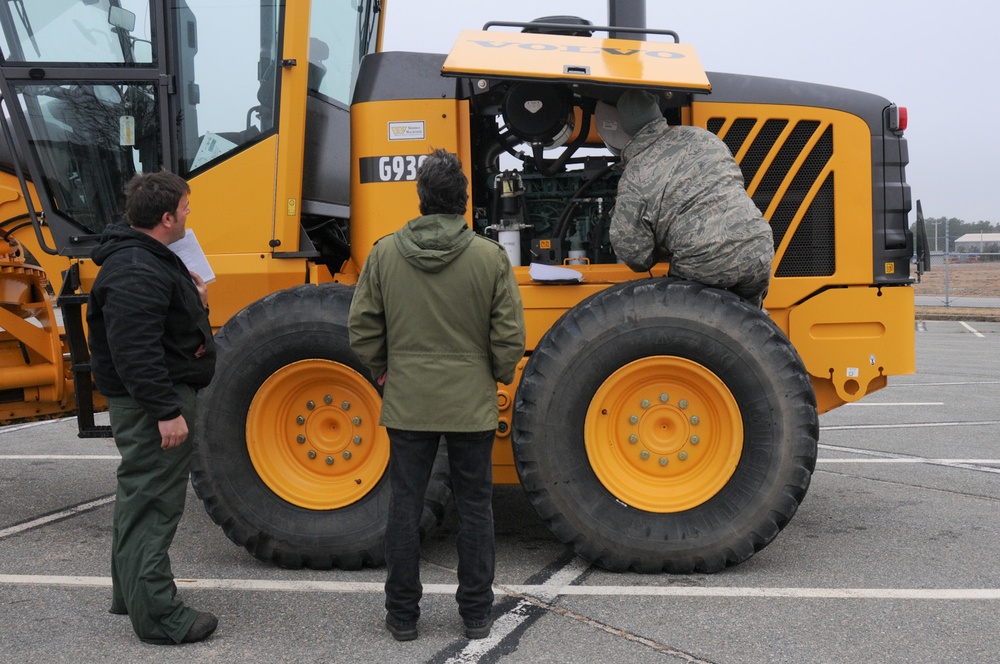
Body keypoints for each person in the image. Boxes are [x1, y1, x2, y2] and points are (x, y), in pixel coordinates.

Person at [348, 149, 526, 642]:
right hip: (470, 404)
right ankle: (475, 614)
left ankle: (403, 616)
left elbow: (362, 328)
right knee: (475, 505)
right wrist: (494, 374)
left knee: (405, 503)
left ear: (421, 197)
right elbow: (509, 335)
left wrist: (385, 369)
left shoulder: (385, 253)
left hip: (408, 400)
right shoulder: (489, 257)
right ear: (464, 202)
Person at [87, 170, 218, 644]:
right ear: (166, 217)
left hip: (151, 398)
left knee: (138, 499)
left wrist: (195, 300)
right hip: (151, 405)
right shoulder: (137, 269)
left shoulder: (145, 259)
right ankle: (161, 617)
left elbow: (158, 331)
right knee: (154, 506)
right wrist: (165, 410)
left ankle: (132, 595)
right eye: (184, 208)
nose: (188, 215)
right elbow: (134, 349)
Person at [609, 89, 775, 307]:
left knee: (687, 326)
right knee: (749, 324)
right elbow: (733, 182)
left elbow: (635, 254)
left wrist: (659, 249)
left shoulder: (635, 174)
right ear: (657, 112)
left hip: (703, 263)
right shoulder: (703, 137)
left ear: (625, 126)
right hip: (759, 248)